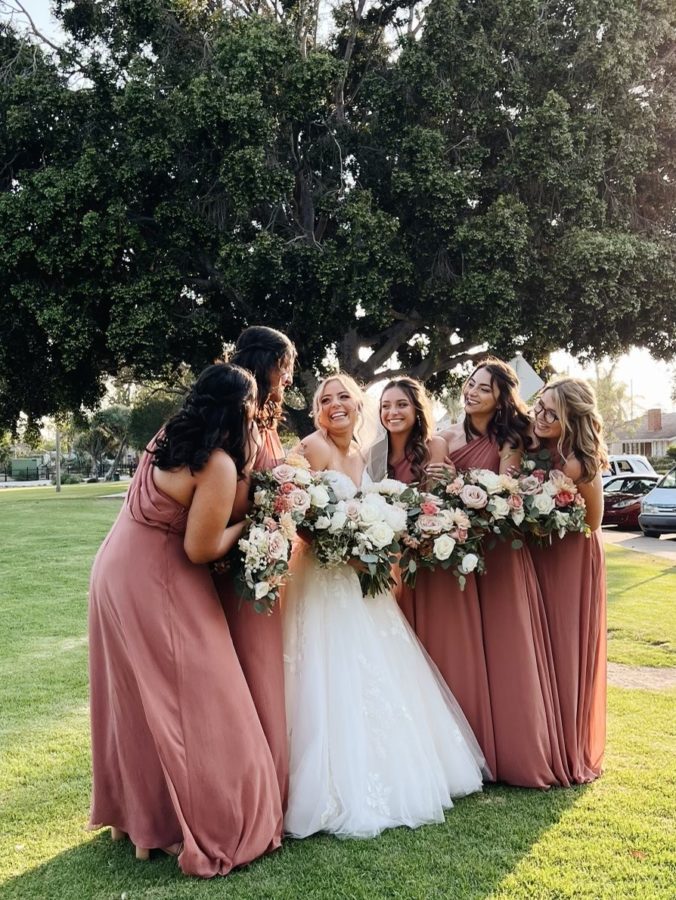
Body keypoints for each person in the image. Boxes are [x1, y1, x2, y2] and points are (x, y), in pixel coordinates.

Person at [88, 363, 283, 877]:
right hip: (158, 578)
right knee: (203, 699)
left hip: (114, 567)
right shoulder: (216, 463)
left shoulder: (167, 437)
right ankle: (197, 824)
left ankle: (140, 822)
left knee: (137, 695)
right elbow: (202, 548)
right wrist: (252, 523)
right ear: (243, 409)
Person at [282, 373, 485, 839]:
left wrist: (371, 544)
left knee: (375, 667)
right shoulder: (311, 448)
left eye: (344, 398)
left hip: (361, 578)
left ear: (358, 405)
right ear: (317, 408)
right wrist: (339, 544)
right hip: (324, 578)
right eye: (325, 399)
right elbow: (297, 510)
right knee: (326, 671)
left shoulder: (360, 452)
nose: (336, 405)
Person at [428, 358, 569, 788]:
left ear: (500, 398)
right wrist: (444, 485)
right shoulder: (444, 436)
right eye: (470, 384)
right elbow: (431, 492)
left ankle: (512, 749)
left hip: (501, 553)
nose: (472, 392)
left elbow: (507, 488)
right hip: (457, 550)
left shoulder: (511, 438)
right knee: (466, 646)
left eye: (484, 388)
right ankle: (466, 746)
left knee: (508, 648)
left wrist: (462, 483)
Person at [380, 377, 497, 778]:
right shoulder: (370, 455)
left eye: (401, 405)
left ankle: (466, 740)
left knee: (444, 648)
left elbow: (440, 501)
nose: (392, 413)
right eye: (386, 406)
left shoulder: (433, 447)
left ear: (416, 410)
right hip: (392, 566)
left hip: (431, 565)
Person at [212, 326, 296, 809]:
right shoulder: (235, 417)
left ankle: (272, 782)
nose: (287, 377)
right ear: (267, 364)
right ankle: (251, 789)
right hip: (235, 560)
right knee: (245, 669)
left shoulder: (265, 419)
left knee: (265, 666)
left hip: (263, 554)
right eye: (284, 367)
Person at [529, 377, 607, 782]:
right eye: (538, 407)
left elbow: (592, 523)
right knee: (541, 648)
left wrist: (550, 517)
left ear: (571, 417)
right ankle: (545, 740)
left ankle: (568, 748)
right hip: (540, 557)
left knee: (565, 649)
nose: (539, 417)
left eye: (550, 413)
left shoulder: (580, 461)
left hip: (572, 561)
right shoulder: (538, 450)